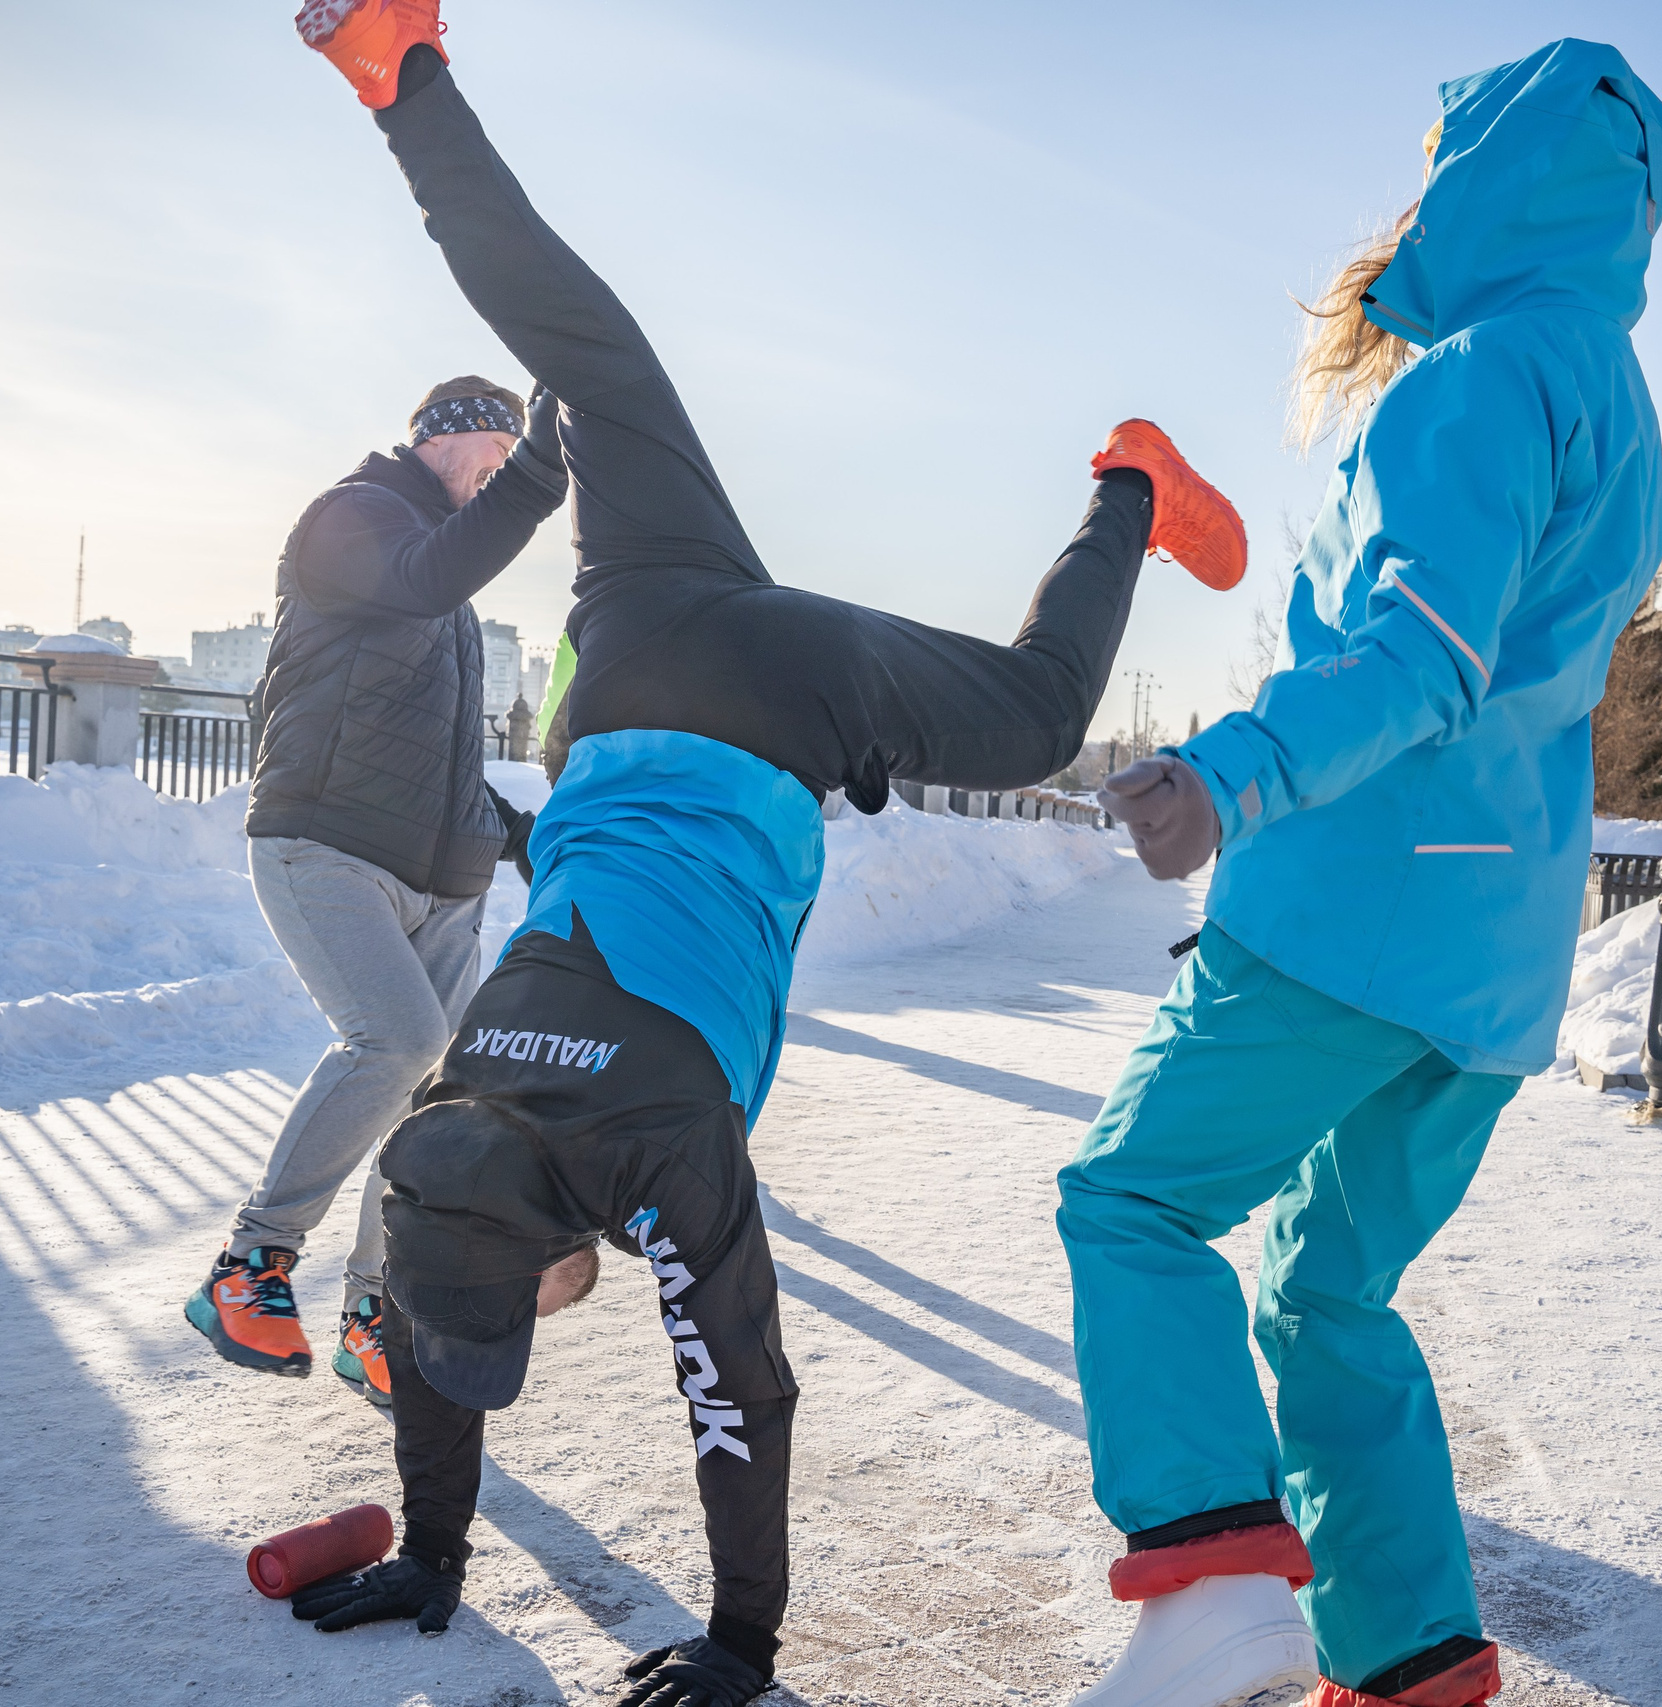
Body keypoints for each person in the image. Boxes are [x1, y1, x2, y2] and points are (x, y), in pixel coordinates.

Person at [270, 8, 1245, 1706]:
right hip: (634, 649)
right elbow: (438, 1308)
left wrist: (738, 1651)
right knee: (589, 346)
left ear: (557, 1250)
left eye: (536, 1308)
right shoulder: (449, 1126)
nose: (543, 1322)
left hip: (775, 707)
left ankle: (1128, 490)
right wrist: (428, 1551)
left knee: (1029, 717)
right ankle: (397, 75)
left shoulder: (661, 1137)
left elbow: (741, 1389)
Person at [1061, 41, 1662, 1707]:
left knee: (1131, 1202)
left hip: (1356, 907)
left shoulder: (1478, 376)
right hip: (1491, 955)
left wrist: (1230, 770)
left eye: (1438, 162)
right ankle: (1405, 1660)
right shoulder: (1608, 392)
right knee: (1327, 1288)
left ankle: (1207, 1579)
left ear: (1490, 177)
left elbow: (1421, 656)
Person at [184, 371, 567, 1409]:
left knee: (437, 1095)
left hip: (434, 878)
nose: (500, 473)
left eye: (513, 457)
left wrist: (525, 837)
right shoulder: (353, 521)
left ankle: (376, 1313)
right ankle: (250, 1266)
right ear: (449, 437)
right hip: (328, 845)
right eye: (497, 449)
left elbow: (434, 757)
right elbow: (426, 577)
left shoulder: (439, 583)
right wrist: (535, 477)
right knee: (395, 1043)